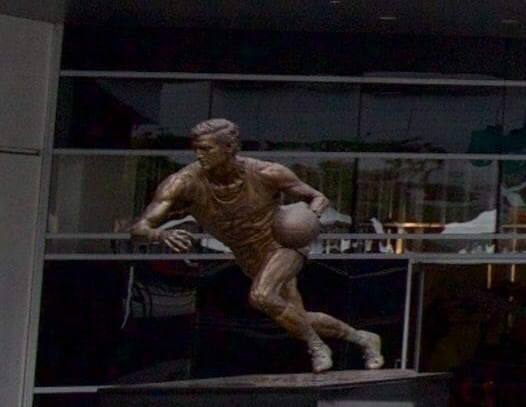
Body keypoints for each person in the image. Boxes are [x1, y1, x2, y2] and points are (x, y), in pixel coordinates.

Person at [128, 119, 381, 372]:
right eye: (196, 149)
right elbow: (140, 227)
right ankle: (363, 339)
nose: (198, 155)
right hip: (248, 256)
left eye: (206, 149)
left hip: (283, 243)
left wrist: (307, 221)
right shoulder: (182, 182)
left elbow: (317, 196)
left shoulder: (266, 173)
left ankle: (316, 346)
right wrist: (158, 236)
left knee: (262, 295)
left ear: (229, 147)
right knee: (297, 316)